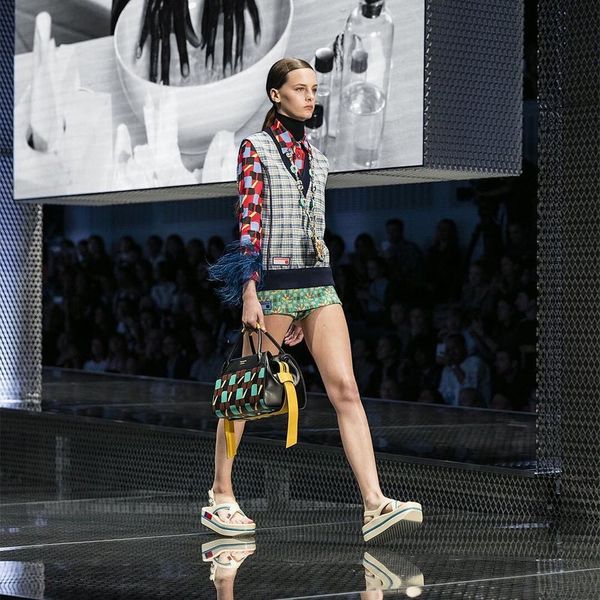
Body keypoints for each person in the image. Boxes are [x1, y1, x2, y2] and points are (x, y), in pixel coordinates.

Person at [205, 57, 422, 542]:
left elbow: (315, 226)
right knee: (247, 390)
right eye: (300, 89)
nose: (310, 97)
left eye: (314, 89)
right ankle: (220, 495)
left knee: (346, 388)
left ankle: (374, 503)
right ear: (275, 95)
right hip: (273, 283)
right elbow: (249, 223)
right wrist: (249, 290)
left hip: (319, 283)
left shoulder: (319, 159)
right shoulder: (255, 148)